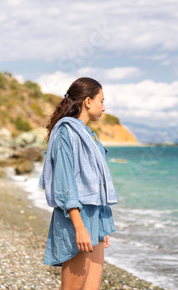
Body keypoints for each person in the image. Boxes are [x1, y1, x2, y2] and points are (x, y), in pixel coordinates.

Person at [38, 77, 117, 290]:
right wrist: (79, 227)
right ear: (88, 101)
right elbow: (65, 182)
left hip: (96, 216)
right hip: (77, 217)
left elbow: (96, 182)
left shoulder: (89, 134)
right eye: (101, 101)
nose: (104, 107)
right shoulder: (66, 132)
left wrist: (103, 223)